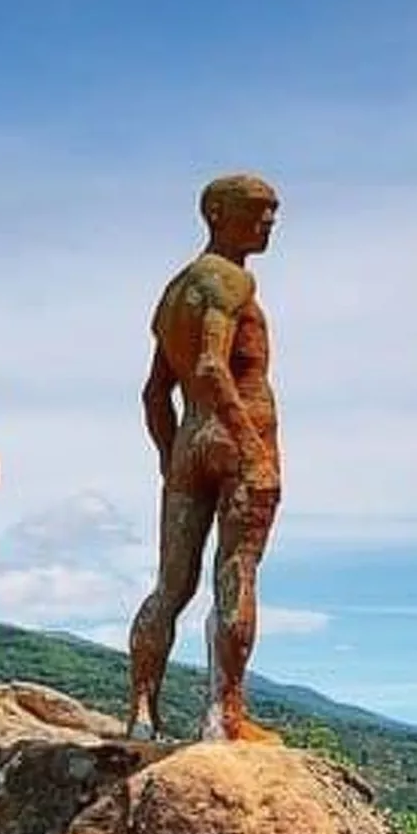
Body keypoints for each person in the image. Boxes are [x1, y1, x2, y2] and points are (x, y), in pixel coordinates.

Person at [126, 174, 283, 742]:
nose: (270, 221)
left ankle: (142, 715)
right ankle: (223, 717)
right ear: (217, 211)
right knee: (235, 572)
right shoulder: (230, 279)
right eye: (258, 209)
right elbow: (214, 366)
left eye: (274, 210)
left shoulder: (174, 293)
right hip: (238, 437)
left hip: (189, 442)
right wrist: (251, 449)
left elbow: (155, 393)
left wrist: (171, 457)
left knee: (170, 586)